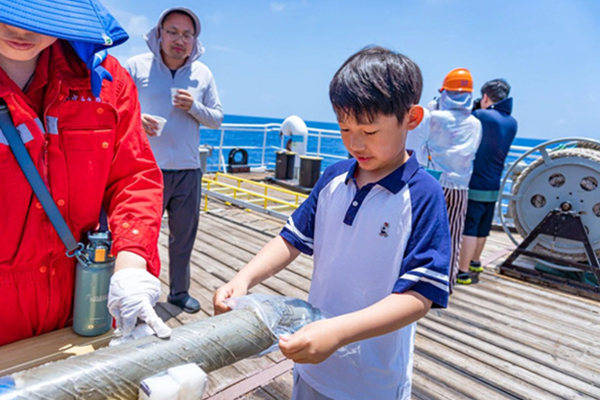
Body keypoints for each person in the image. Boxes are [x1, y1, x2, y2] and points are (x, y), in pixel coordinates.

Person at [213, 46, 451, 400]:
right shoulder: (334, 178)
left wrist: (338, 331)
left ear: (412, 118)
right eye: (344, 129)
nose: (355, 143)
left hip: (373, 380)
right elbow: (292, 238)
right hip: (312, 364)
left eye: (370, 132)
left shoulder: (422, 194)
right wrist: (244, 277)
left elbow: (420, 296)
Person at [0, 0, 170, 347]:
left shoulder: (107, 80)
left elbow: (134, 177)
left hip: (80, 303)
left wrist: (132, 267)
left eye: (42, 15)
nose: (20, 30)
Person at [127, 7, 224, 313]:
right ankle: (140, 293)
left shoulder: (203, 74)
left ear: (195, 40)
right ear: (159, 34)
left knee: (183, 238)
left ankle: (179, 292)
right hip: (145, 169)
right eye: (173, 32)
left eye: (187, 34)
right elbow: (116, 108)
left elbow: (217, 119)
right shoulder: (136, 66)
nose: (179, 40)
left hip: (187, 170)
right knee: (141, 236)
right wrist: (136, 119)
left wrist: (195, 107)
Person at [409, 68, 481, 290]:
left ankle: (412, 277)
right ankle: (445, 283)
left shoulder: (433, 118)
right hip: (460, 187)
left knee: (420, 231)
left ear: (444, 93)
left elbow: (417, 143)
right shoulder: (476, 124)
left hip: (432, 183)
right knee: (453, 234)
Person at [457, 79, 518, 284]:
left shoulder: (481, 116)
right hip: (494, 182)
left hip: (476, 181)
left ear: (485, 97)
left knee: (470, 226)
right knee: (484, 225)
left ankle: (462, 272)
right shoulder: (512, 122)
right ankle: (475, 262)